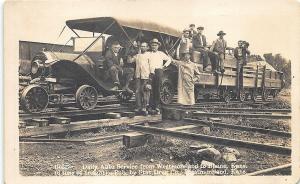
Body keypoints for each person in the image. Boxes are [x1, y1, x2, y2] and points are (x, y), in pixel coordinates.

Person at [148, 38, 172, 114]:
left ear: (158, 46)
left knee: (157, 88)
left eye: (155, 45)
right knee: (150, 89)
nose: (154, 46)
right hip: (150, 72)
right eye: (153, 45)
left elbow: (169, 59)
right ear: (151, 46)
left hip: (158, 71)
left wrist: (164, 66)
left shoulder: (161, 53)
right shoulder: (149, 54)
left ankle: (157, 106)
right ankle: (150, 106)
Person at [134, 42, 151, 115]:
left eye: (144, 46)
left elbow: (151, 66)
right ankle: (138, 107)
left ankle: (144, 107)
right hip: (138, 75)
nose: (142, 47)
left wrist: (150, 76)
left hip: (146, 76)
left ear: (147, 47)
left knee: (145, 92)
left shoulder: (149, 55)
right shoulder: (137, 55)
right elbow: (130, 60)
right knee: (137, 91)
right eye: (141, 46)